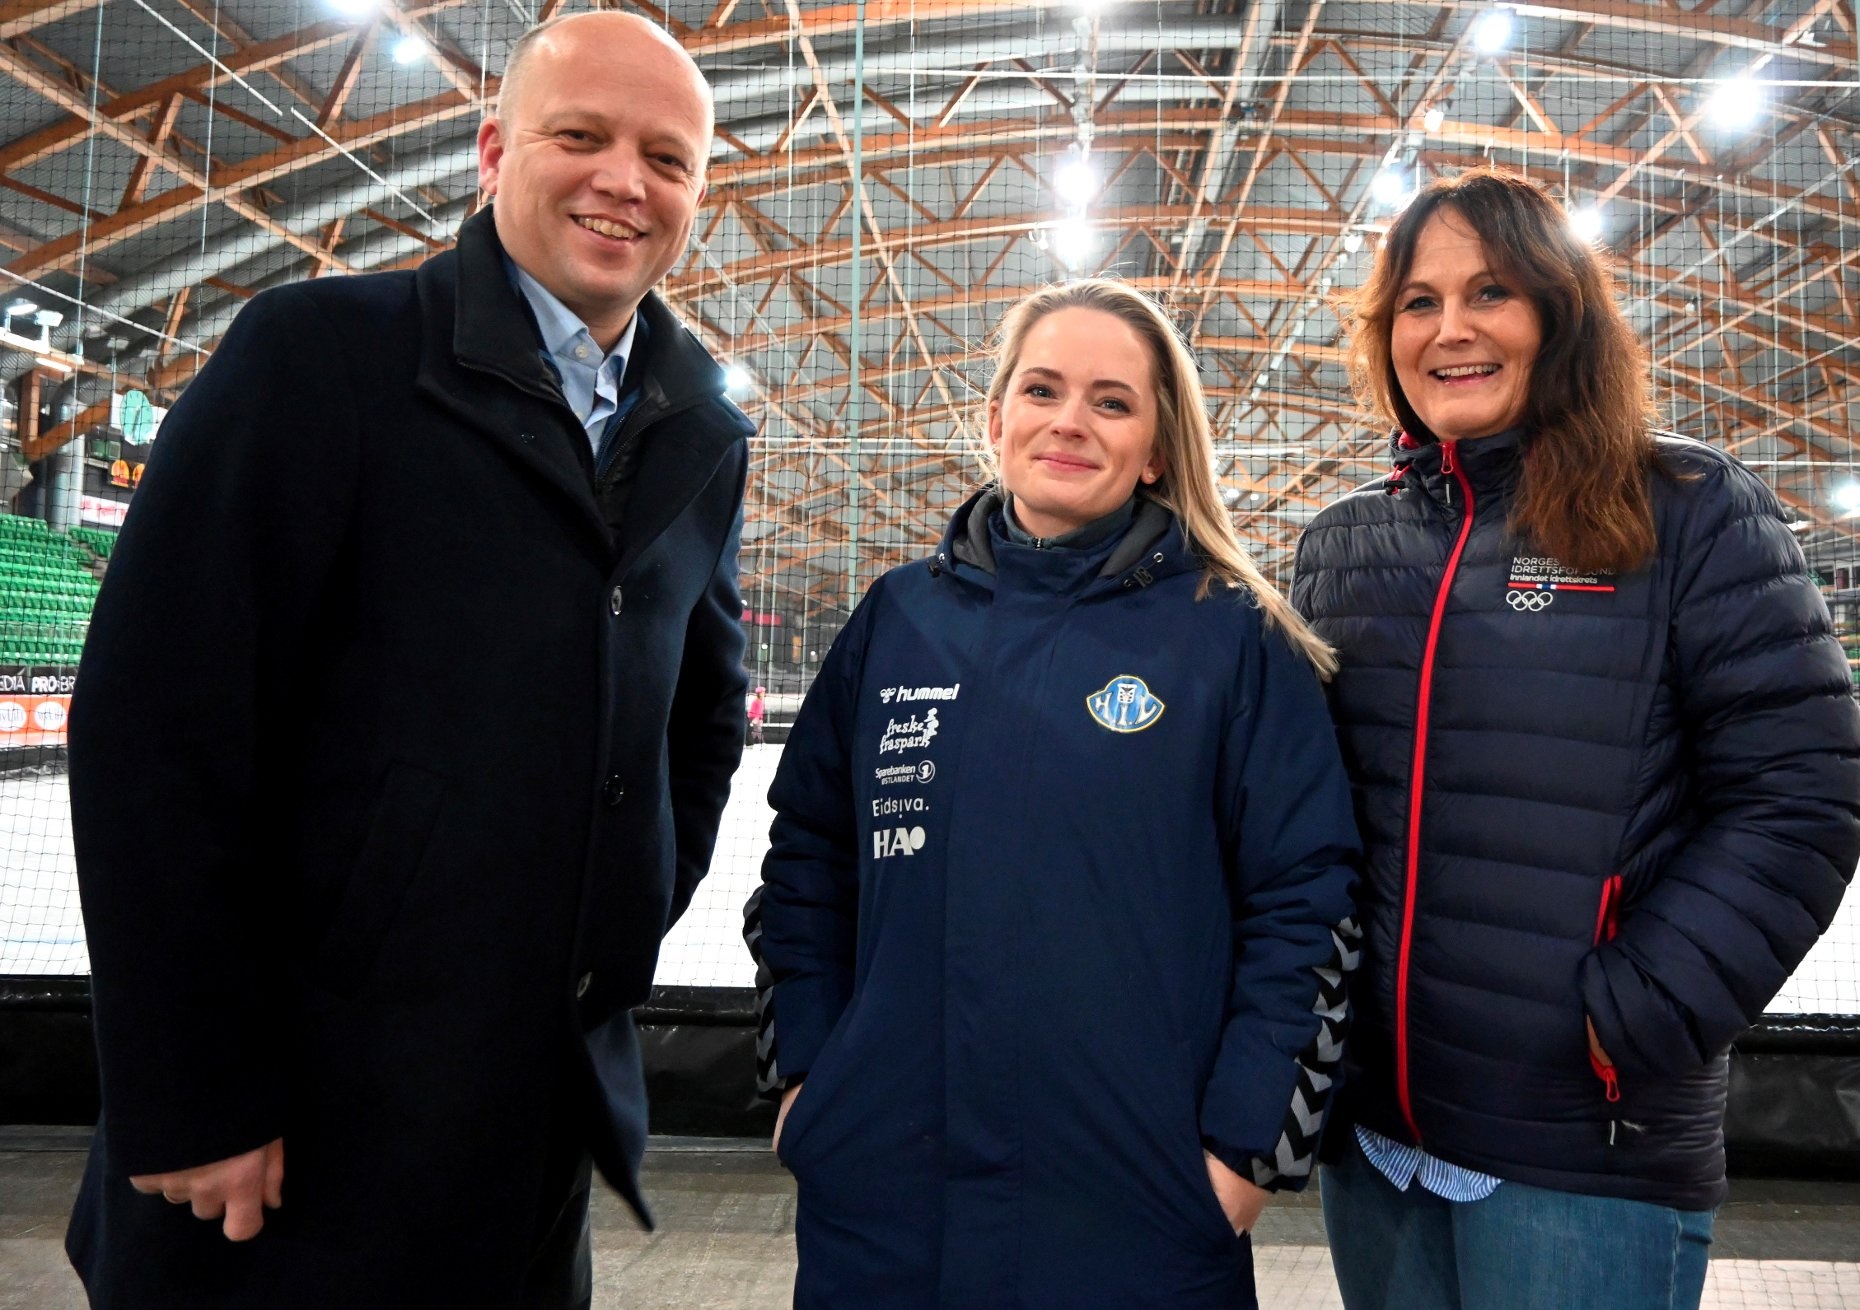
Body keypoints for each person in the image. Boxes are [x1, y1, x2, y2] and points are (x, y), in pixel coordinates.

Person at [64, 13, 751, 1307]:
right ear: (494, 151)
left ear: (697, 197)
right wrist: (194, 1083)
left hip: (526, 1131)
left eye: (667, 158)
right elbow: (158, 726)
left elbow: (699, 719)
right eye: (581, 137)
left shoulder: (701, 430)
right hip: (291, 1134)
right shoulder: (319, 359)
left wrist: (608, 930)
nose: (624, 180)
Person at [1292, 171, 1860, 1310]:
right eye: (1416, 301)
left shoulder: (1689, 510)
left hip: (1579, 1150)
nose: (1448, 327)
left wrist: (1630, 1014)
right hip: (1375, 1140)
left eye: (1489, 291)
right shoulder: (1341, 545)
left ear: (1559, 315)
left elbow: (1799, 797)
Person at [744, 279, 1363, 1307]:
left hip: (1136, 1215)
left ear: (1158, 446)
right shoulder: (896, 619)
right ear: (996, 418)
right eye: (1041, 389)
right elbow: (805, 856)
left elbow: (1308, 902)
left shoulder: (1230, 638)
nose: (1069, 419)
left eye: (1111, 400)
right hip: (884, 1207)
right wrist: (808, 1080)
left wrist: (1244, 1154)